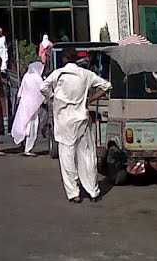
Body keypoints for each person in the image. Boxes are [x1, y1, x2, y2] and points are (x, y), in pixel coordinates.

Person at [40, 46, 110, 203]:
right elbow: (106, 86)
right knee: (87, 155)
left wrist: (52, 97)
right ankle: (93, 191)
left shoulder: (58, 74)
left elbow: (42, 87)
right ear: (76, 57)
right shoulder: (85, 74)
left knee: (67, 156)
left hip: (64, 121)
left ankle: (74, 193)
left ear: (64, 59)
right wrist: (90, 99)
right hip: (82, 119)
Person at [11, 61, 45, 156]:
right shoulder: (38, 78)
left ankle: (24, 144)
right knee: (32, 125)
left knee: (24, 123)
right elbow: (43, 90)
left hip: (24, 104)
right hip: (33, 104)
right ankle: (28, 148)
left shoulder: (26, 76)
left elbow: (20, 91)